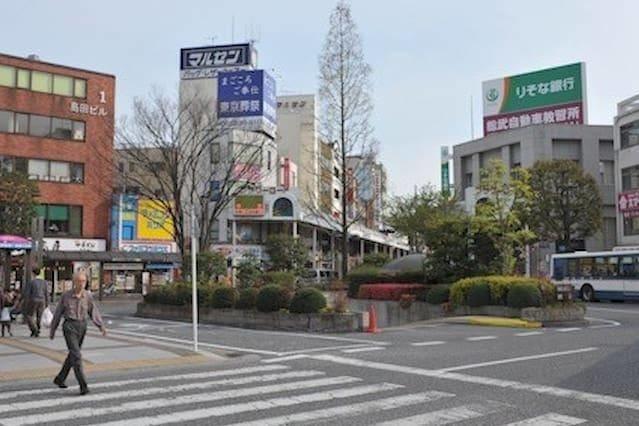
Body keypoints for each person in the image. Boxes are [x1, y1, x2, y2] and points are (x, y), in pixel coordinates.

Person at [50, 270, 107, 395]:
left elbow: (93, 311)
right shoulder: (66, 296)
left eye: (84, 281)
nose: (82, 284)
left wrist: (100, 326)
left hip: (82, 325)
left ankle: (60, 379)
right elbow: (58, 313)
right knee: (77, 356)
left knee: (73, 355)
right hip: (69, 326)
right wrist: (52, 330)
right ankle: (83, 385)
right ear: (74, 282)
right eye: (79, 281)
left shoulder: (87, 296)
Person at [25, 268, 49, 337]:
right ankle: (38, 329)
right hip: (42, 300)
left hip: (33, 300)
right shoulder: (44, 282)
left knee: (29, 316)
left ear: (33, 274)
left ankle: (34, 329)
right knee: (39, 316)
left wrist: (26, 302)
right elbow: (46, 293)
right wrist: (47, 303)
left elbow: (27, 293)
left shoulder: (31, 282)